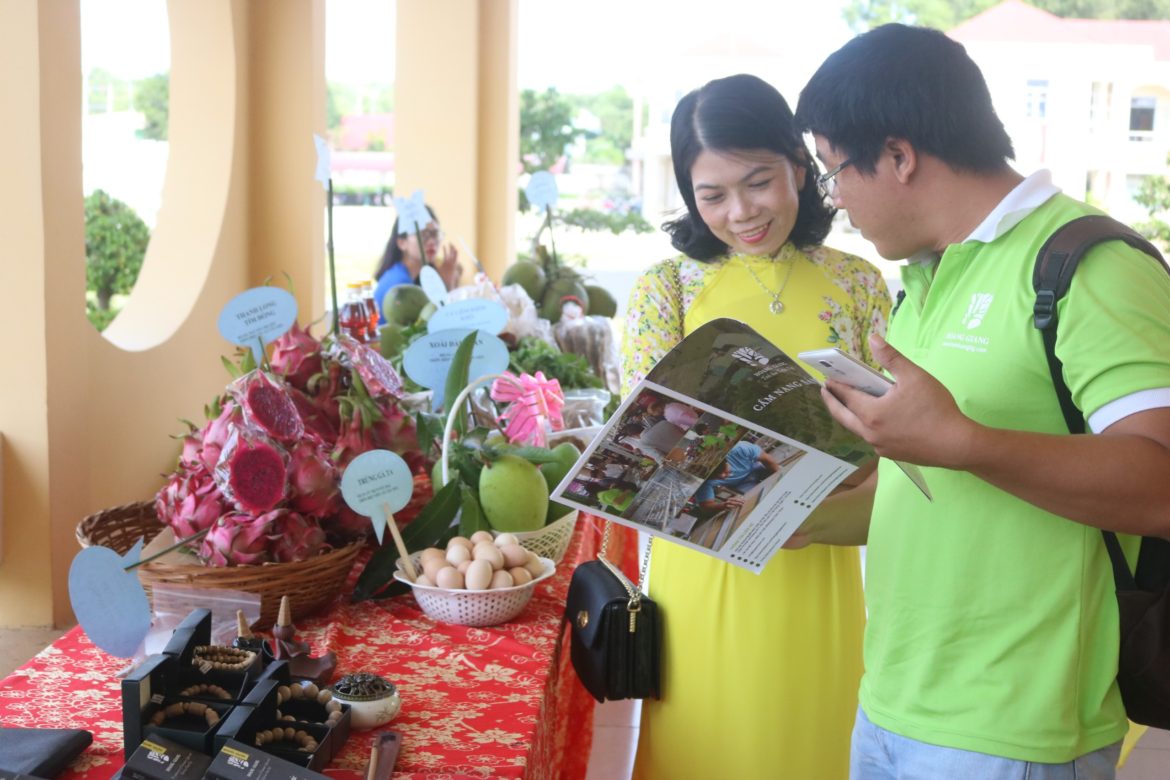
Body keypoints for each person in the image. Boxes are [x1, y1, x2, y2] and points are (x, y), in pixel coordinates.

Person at [793, 24, 1170, 779]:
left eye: (835, 172)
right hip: (893, 702)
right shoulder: (925, 285)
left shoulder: (1087, 264)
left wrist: (962, 440)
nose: (834, 200)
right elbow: (922, 492)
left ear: (899, 156)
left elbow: (1160, 485)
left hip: (1012, 724)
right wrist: (771, 517)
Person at [621, 73, 891, 780]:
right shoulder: (666, 288)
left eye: (758, 182)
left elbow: (889, 435)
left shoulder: (859, 283)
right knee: (704, 751)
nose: (740, 211)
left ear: (799, 167)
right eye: (711, 195)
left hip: (819, 563)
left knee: (815, 747)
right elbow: (642, 448)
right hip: (705, 565)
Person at [371, 204, 460, 324]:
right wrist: (446, 285)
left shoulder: (411, 277)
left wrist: (448, 282)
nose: (431, 241)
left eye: (435, 234)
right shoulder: (400, 284)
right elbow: (433, 326)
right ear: (402, 243)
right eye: (422, 235)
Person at [693, 439, 779, 515]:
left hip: (756, 468)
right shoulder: (702, 481)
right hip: (742, 484)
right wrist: (723, 505)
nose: (723, 477)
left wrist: (780, 476)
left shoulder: (739, 448)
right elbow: (706, 507)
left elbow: (767, 459)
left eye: (722, 471)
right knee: (756, 500)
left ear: (725, 460)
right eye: (716, 477)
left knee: (779, 472)